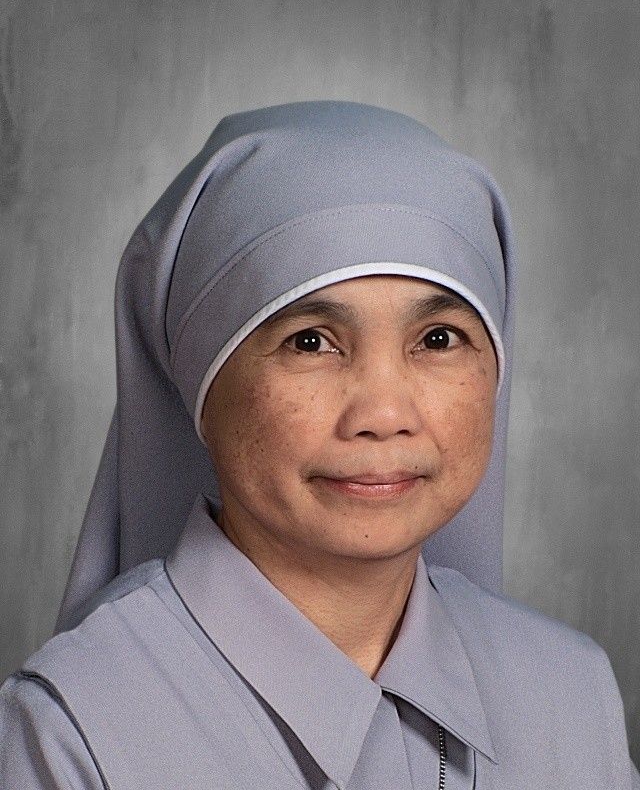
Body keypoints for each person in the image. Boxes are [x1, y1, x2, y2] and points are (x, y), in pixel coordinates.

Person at [0, 100, 637, 789]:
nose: (384, 414)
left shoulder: (571, 695)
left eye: (438, 339)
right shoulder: (70, 735)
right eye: (311, 342)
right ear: (201, 384)